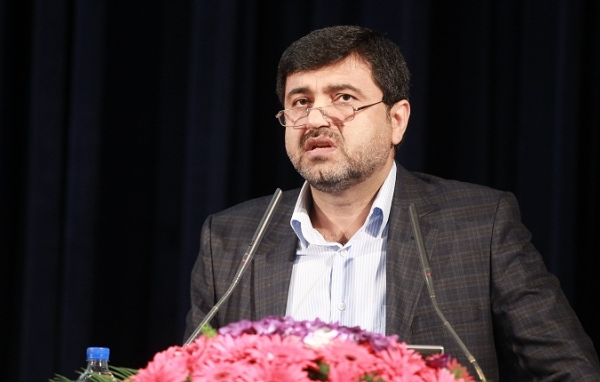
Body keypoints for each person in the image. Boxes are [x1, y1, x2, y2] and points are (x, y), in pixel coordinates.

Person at [184, 25, 600, 380]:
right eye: (300, 102)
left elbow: (570, 371)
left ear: (396, 120)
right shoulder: (231, 240)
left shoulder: (478, 225)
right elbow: (189, 371)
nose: (315, 120)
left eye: (344, 98)